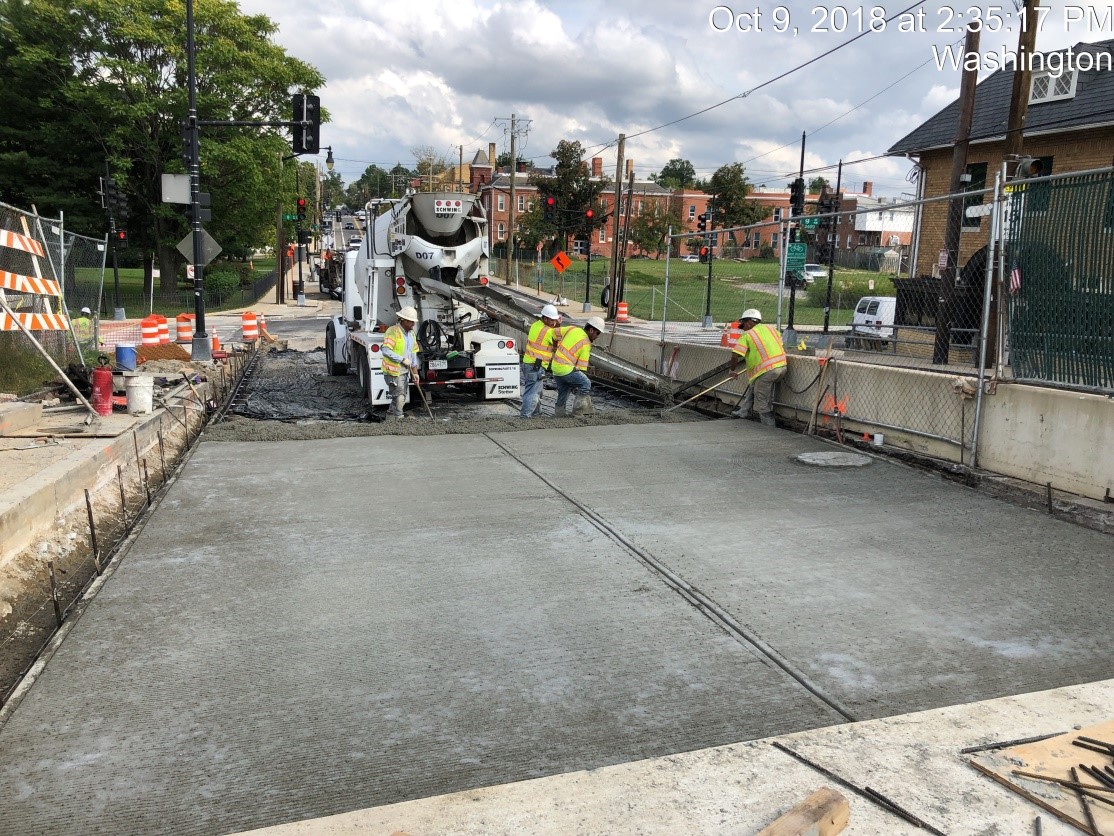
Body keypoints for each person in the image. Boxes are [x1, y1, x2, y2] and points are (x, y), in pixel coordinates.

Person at [729, 308, 787, 427]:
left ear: (749, 321)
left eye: (743, 324)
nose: (743, 327)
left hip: (767, 371)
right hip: (782, 366)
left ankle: (769, 426)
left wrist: (732, 370)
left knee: (762, 399)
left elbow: (735, 355)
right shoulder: (771, 329)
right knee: (754, 386)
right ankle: (743, 411)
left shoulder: (748, 334)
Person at [551, 316, 605, 416]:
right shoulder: (586, 343)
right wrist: (580, 388)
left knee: (564, 390)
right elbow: (581, 368)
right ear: (591, 330)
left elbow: (553, 333)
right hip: (565, 369)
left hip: (555, 367)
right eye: (597, 333)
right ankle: (578, 411)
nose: (597, 336)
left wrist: (555, 347)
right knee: (586, 384)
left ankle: (559, 414)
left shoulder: (572, 329)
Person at [519, 304, 561, 418]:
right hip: (535, 366)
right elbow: (558, 340)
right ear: (545, 318)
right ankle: (525, 417)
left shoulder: (535, 325)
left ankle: (537, 415)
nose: (553, 323)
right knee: (532, 393)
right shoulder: (549, 332)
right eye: (552, 320)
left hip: (528, 363)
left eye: (555, 320)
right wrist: (559, 325)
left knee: (536, 391)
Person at [382, 306, 420, 419]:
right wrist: (402, 359)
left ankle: (389, 418)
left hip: (405, 371)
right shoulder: (393, 331)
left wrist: (415, 372)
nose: (413, 324)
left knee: (400, 396)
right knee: (399, 396)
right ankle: (399, 419)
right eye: (411, 322)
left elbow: (413, 354)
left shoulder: (412, 334)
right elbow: (385, 350)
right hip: (393, 371)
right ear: (404, 320)